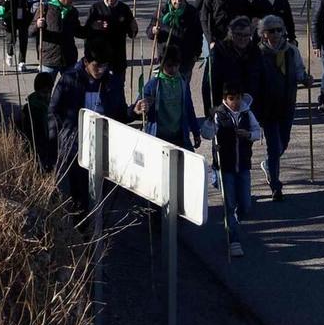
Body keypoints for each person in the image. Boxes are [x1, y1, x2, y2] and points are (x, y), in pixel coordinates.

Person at [49, 51, 127, 211]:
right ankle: (82, 229)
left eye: (104, 66)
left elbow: (121, 113)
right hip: (76, 147)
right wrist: (58, 137)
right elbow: (54, 110)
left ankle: (98, 227)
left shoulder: (112, 82)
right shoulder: (70, 79)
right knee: (79, 193)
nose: (100, 70)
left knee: (102, 194)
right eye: (97, 66)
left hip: (104, 147)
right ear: (86, 62)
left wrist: (135, 111)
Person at [253, 16, 309, 202]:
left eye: (278, 30)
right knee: (274, 146)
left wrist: (305, 79)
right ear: (263, 34)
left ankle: (269, 165)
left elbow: (299, 71)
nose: (275, 34)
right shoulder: (258, 54)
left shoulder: (291, 51)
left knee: (283, 143)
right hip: (267, 108)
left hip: (287, 105)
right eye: (271, 31)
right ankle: (275, 184)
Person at [210, 82, 264, 257]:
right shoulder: (219, 115)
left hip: (243, 166)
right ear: (225, 99)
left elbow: (258, 132)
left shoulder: (247, 113)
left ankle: (236, 222)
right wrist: (210, 121)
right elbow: (207, 133)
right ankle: (233, 239)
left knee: (245, 204)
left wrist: (248, 135)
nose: (235, 102)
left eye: (238, 98)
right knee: (229, 203)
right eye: (231, 98)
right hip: (226, 166)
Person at [136, 51, 201, 150]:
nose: (173, 69)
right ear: (161, 63)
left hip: (179, 136)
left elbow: (189, 108)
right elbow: (139, 104)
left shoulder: (183, 82)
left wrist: (196, 132)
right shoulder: (154, 84)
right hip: (159, 136)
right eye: (169, 65)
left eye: (176, 65)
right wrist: (143, 105)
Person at [82, 0, 138, 82]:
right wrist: (94, 26)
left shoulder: (124, 8)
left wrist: (134, 28)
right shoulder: (95, 9)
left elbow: (131, 33)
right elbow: (86, 33)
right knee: (99, 90)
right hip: (99, 59)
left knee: (117, 90)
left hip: (118, 58)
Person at [152, 0, 204, 84]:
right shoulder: (162, 11)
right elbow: (150, 31)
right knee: (165, 89)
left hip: (185, 59)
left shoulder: (192, 12)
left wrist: (196, 54)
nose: (177, 2)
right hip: (165, 58)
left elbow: (198, 35)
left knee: (183, 89)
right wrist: (154, 31)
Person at [17, 70, 58, 176]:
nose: (47, 96)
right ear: (37, 91)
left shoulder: (51, 106)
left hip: (48, 149)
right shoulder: (31, 108)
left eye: (49, 92)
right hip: (38, 148)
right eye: (44, 93)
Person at [35, 0, 81, 73]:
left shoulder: (73, 11)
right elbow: (30, 31)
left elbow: (78, 31)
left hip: (69, 58)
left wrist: (94, 26)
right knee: (45, 86)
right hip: (50, 58)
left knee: (70, 87)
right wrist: (37, 25)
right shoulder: (46, 8)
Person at [0, 0, 34, 68]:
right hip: (11, 14)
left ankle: (22, 61)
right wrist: (3, 2)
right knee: (12, 38)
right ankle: (9, 54)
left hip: (24, 13)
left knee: (23, 38)